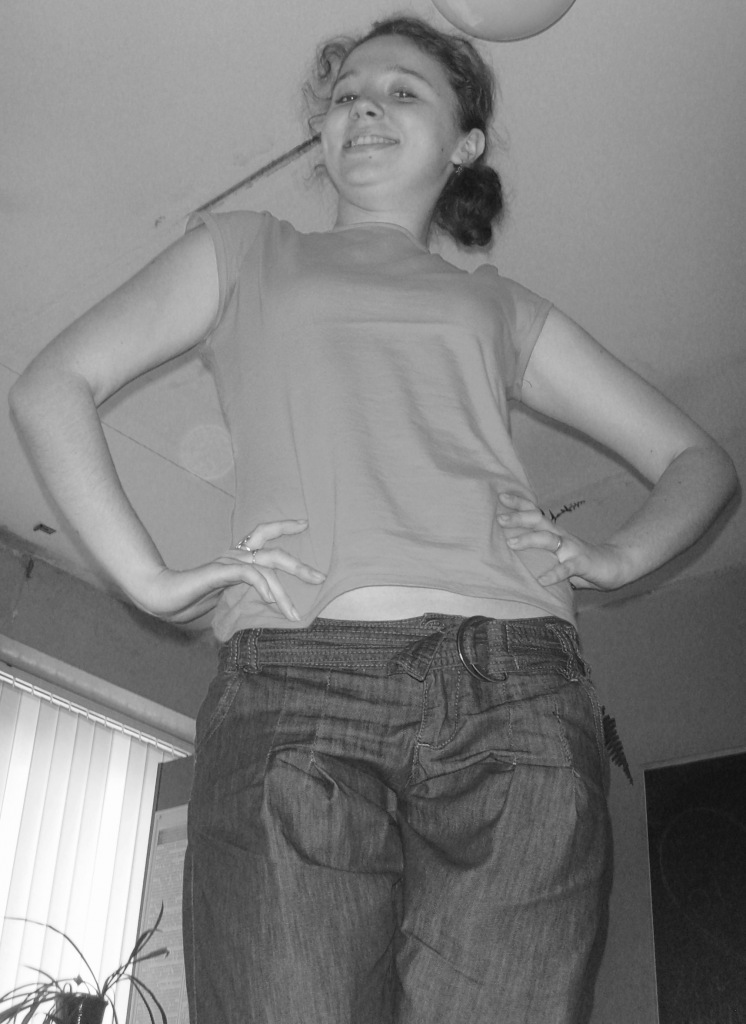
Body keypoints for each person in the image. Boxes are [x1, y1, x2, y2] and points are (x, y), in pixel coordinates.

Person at [9, 15, 736, 1024]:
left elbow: (699, 463)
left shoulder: (499, 306)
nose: (363, 106)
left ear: (463, 143)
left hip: (517, 691)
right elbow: (52, 385)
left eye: (402, 91)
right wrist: (145, 577)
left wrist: (614, 555)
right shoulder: (244, 250)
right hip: (294, 684)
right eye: (346, 92)